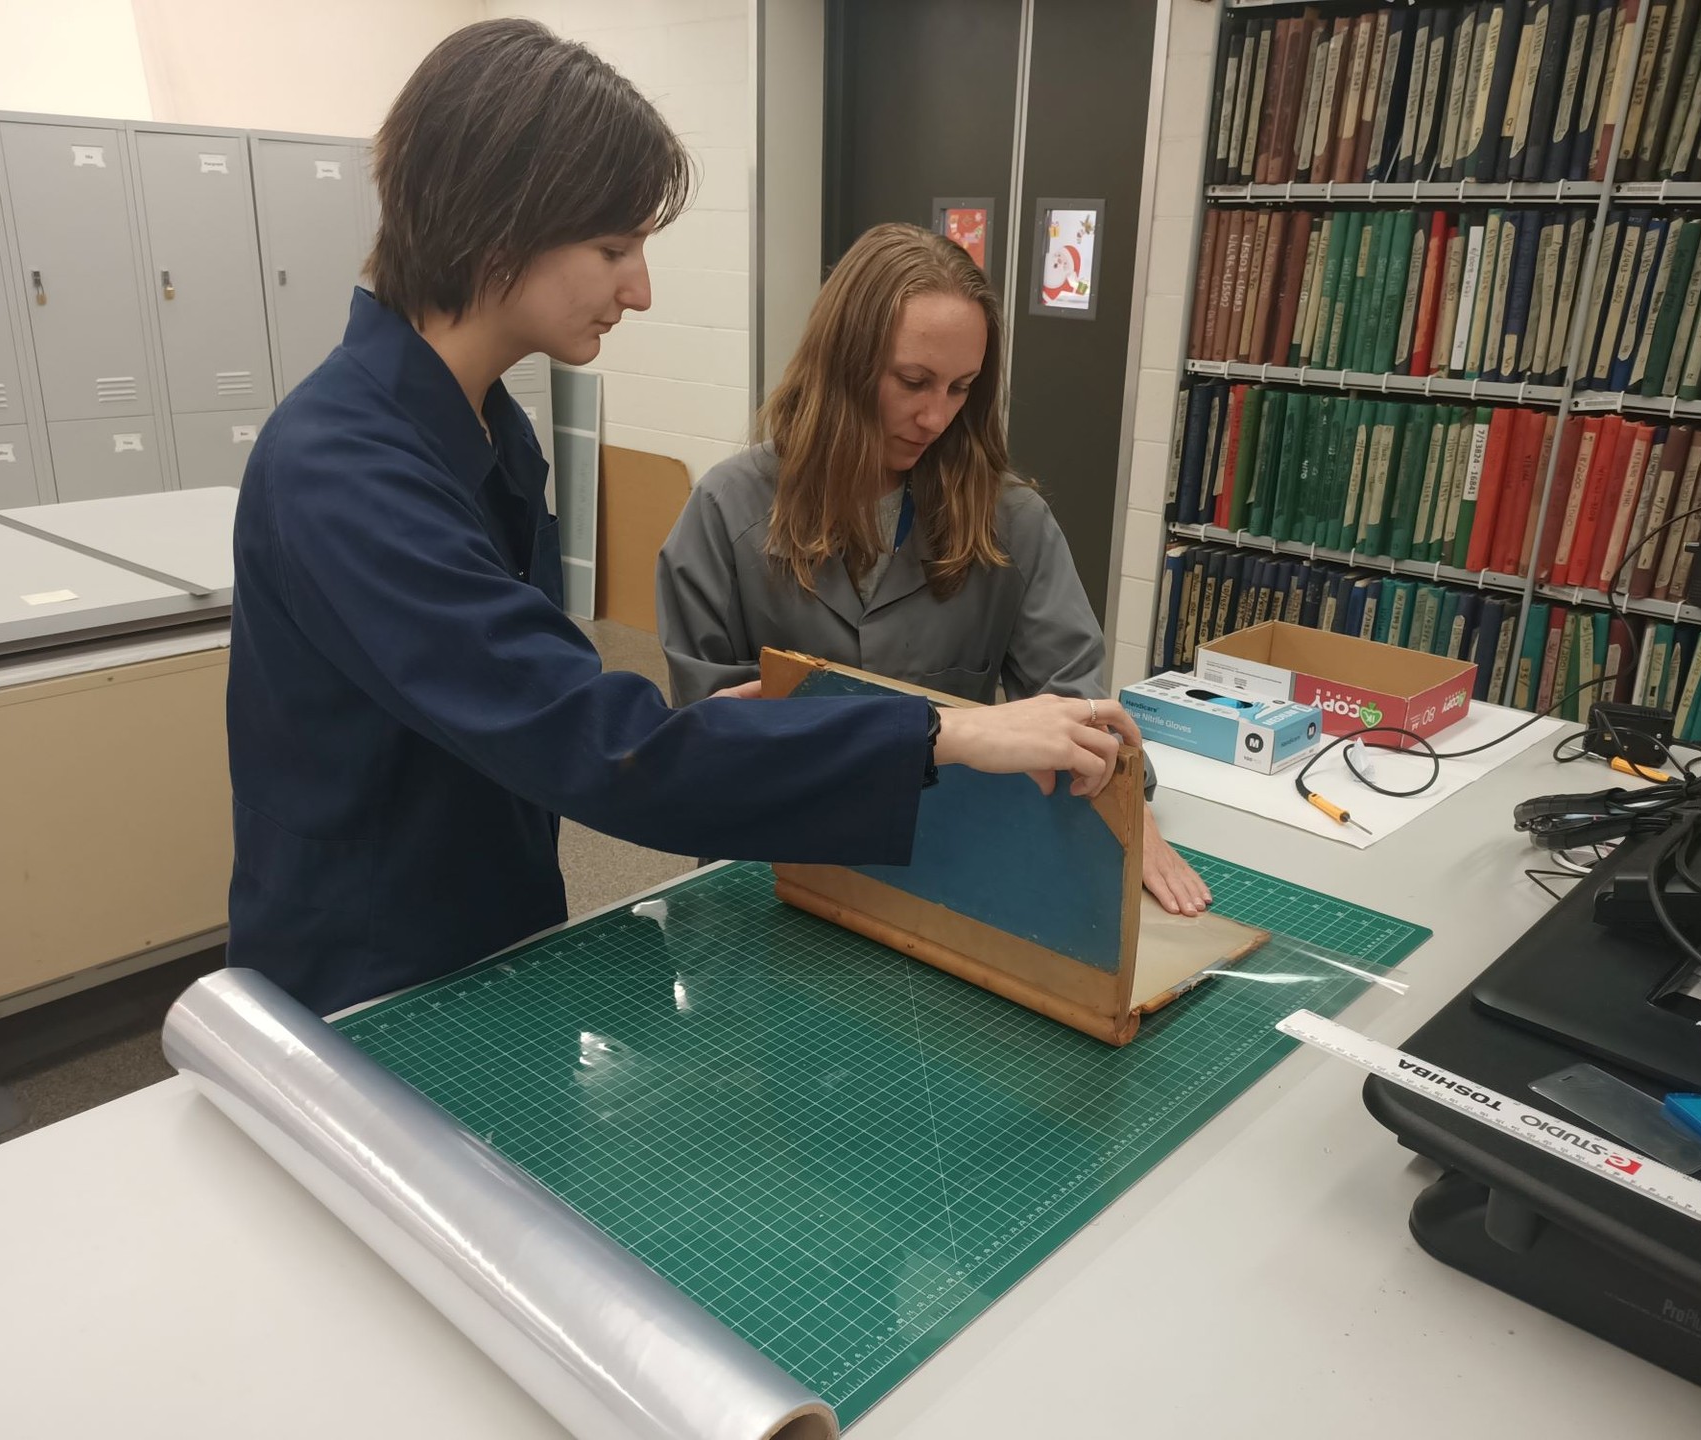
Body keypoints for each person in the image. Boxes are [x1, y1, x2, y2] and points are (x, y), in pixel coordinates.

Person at [224, 20, 1145, 1017]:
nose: (642, 288)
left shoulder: (489, 435)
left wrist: (713, 737)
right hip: (368, 985)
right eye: (614, 246)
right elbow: (596, 745)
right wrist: (940, 736)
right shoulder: (342, 470)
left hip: (496, 933)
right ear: (495, 229)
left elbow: (529, 708)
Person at [657, 224, 1211, 917]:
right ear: (842, 363)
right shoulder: (723, 512)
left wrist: (1130, 811)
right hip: (770, 879)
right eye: (913, 381)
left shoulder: (1012, 521)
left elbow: (1076, 705)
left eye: (961, 388)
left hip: (951, 873)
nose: (935, 416)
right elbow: (705, 752)